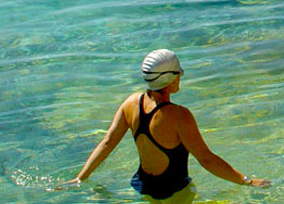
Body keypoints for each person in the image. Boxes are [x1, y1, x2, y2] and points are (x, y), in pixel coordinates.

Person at [63, 49, 270, 200]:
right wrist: (246, 181)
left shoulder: (131, 103)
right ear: (171, 80)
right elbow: (206, 159)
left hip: (140, 185)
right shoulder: (180, 116)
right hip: (174, 193)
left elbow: (107, 143)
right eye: (178, 73)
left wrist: (80, 178)